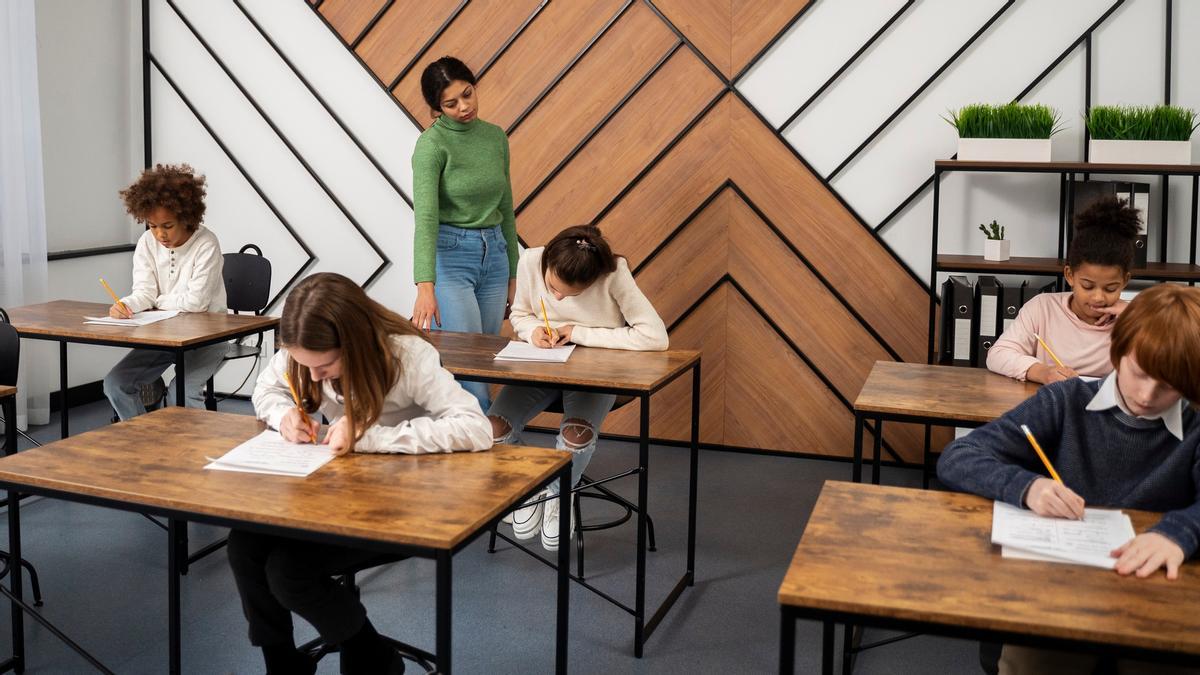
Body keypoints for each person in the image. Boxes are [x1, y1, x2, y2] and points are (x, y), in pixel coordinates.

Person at [228, 273, 491, 675]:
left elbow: (476, 427)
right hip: (340, 496)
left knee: (288, 571)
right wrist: (284, 417)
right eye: (305, 366)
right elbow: (268, 390)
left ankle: (369, 654)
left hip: (410, 505)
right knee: (244, 542)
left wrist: (370, 436)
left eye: (324, 365)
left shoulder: (408, 356)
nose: (314, 377)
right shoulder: (306, 353)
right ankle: (282, 664)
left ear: (354, 341)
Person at [940, 283, 1200, 674]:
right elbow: (960, 456)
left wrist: (1180, 532)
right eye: (1140, 373)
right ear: (1118, 352)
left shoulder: (1195, 424)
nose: (1147, 396)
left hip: (1154, 589)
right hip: (1061, 585)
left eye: (1168, 387)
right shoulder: (1066, 401)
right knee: (1040, 657)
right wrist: (1027, 487)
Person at [489, 225, 668, 551]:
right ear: (546, 265)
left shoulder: (614, 273)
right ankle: (532, 486)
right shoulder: (530, 260)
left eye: (570, 295)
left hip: (595, 375)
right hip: (542, 366)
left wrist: (577, 332)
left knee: (577, 434)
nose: (557, 298)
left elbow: (655, 337)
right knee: (492, 430)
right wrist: (533, 333)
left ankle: (560, 494)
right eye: (553, 288)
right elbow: (520, 314)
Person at [410, 55, 519, 412]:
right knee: (467, 360)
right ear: (436, 109)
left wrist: (514, 274)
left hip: (496, 254)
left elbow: (506, 207)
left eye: (467, 95)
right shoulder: (431, 146)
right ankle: (482, 447)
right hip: (452, 257)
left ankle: (473, 442)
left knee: (486, 360)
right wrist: (425, 287)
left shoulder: (494, 138)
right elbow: (425, 217)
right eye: (450, 104)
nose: (464, 107)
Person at [102, 163, 228, 419]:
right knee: (116, 384)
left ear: (186, 216)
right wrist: (127, 304)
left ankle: (193, 456)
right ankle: (146, 445)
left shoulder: (206, 243)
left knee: (182, 392)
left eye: (167, 226)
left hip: (207, 338)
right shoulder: (147, 243)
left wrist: (157, 301)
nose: (159, 234)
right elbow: (144, 292)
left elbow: (196, 302)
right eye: (152, 225)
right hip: (163, 338)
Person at [987, 196, 1140, 383]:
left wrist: (1139, 319)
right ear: (1069, 275)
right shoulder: (1042, 308)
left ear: (1125, 281)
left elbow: (1169, 370)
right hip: (1053, 404)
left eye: (1110, 288)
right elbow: (998, 354)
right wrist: (1042, 372)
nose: (1098, 297)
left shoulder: (1134, 318)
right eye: (1087, 286)